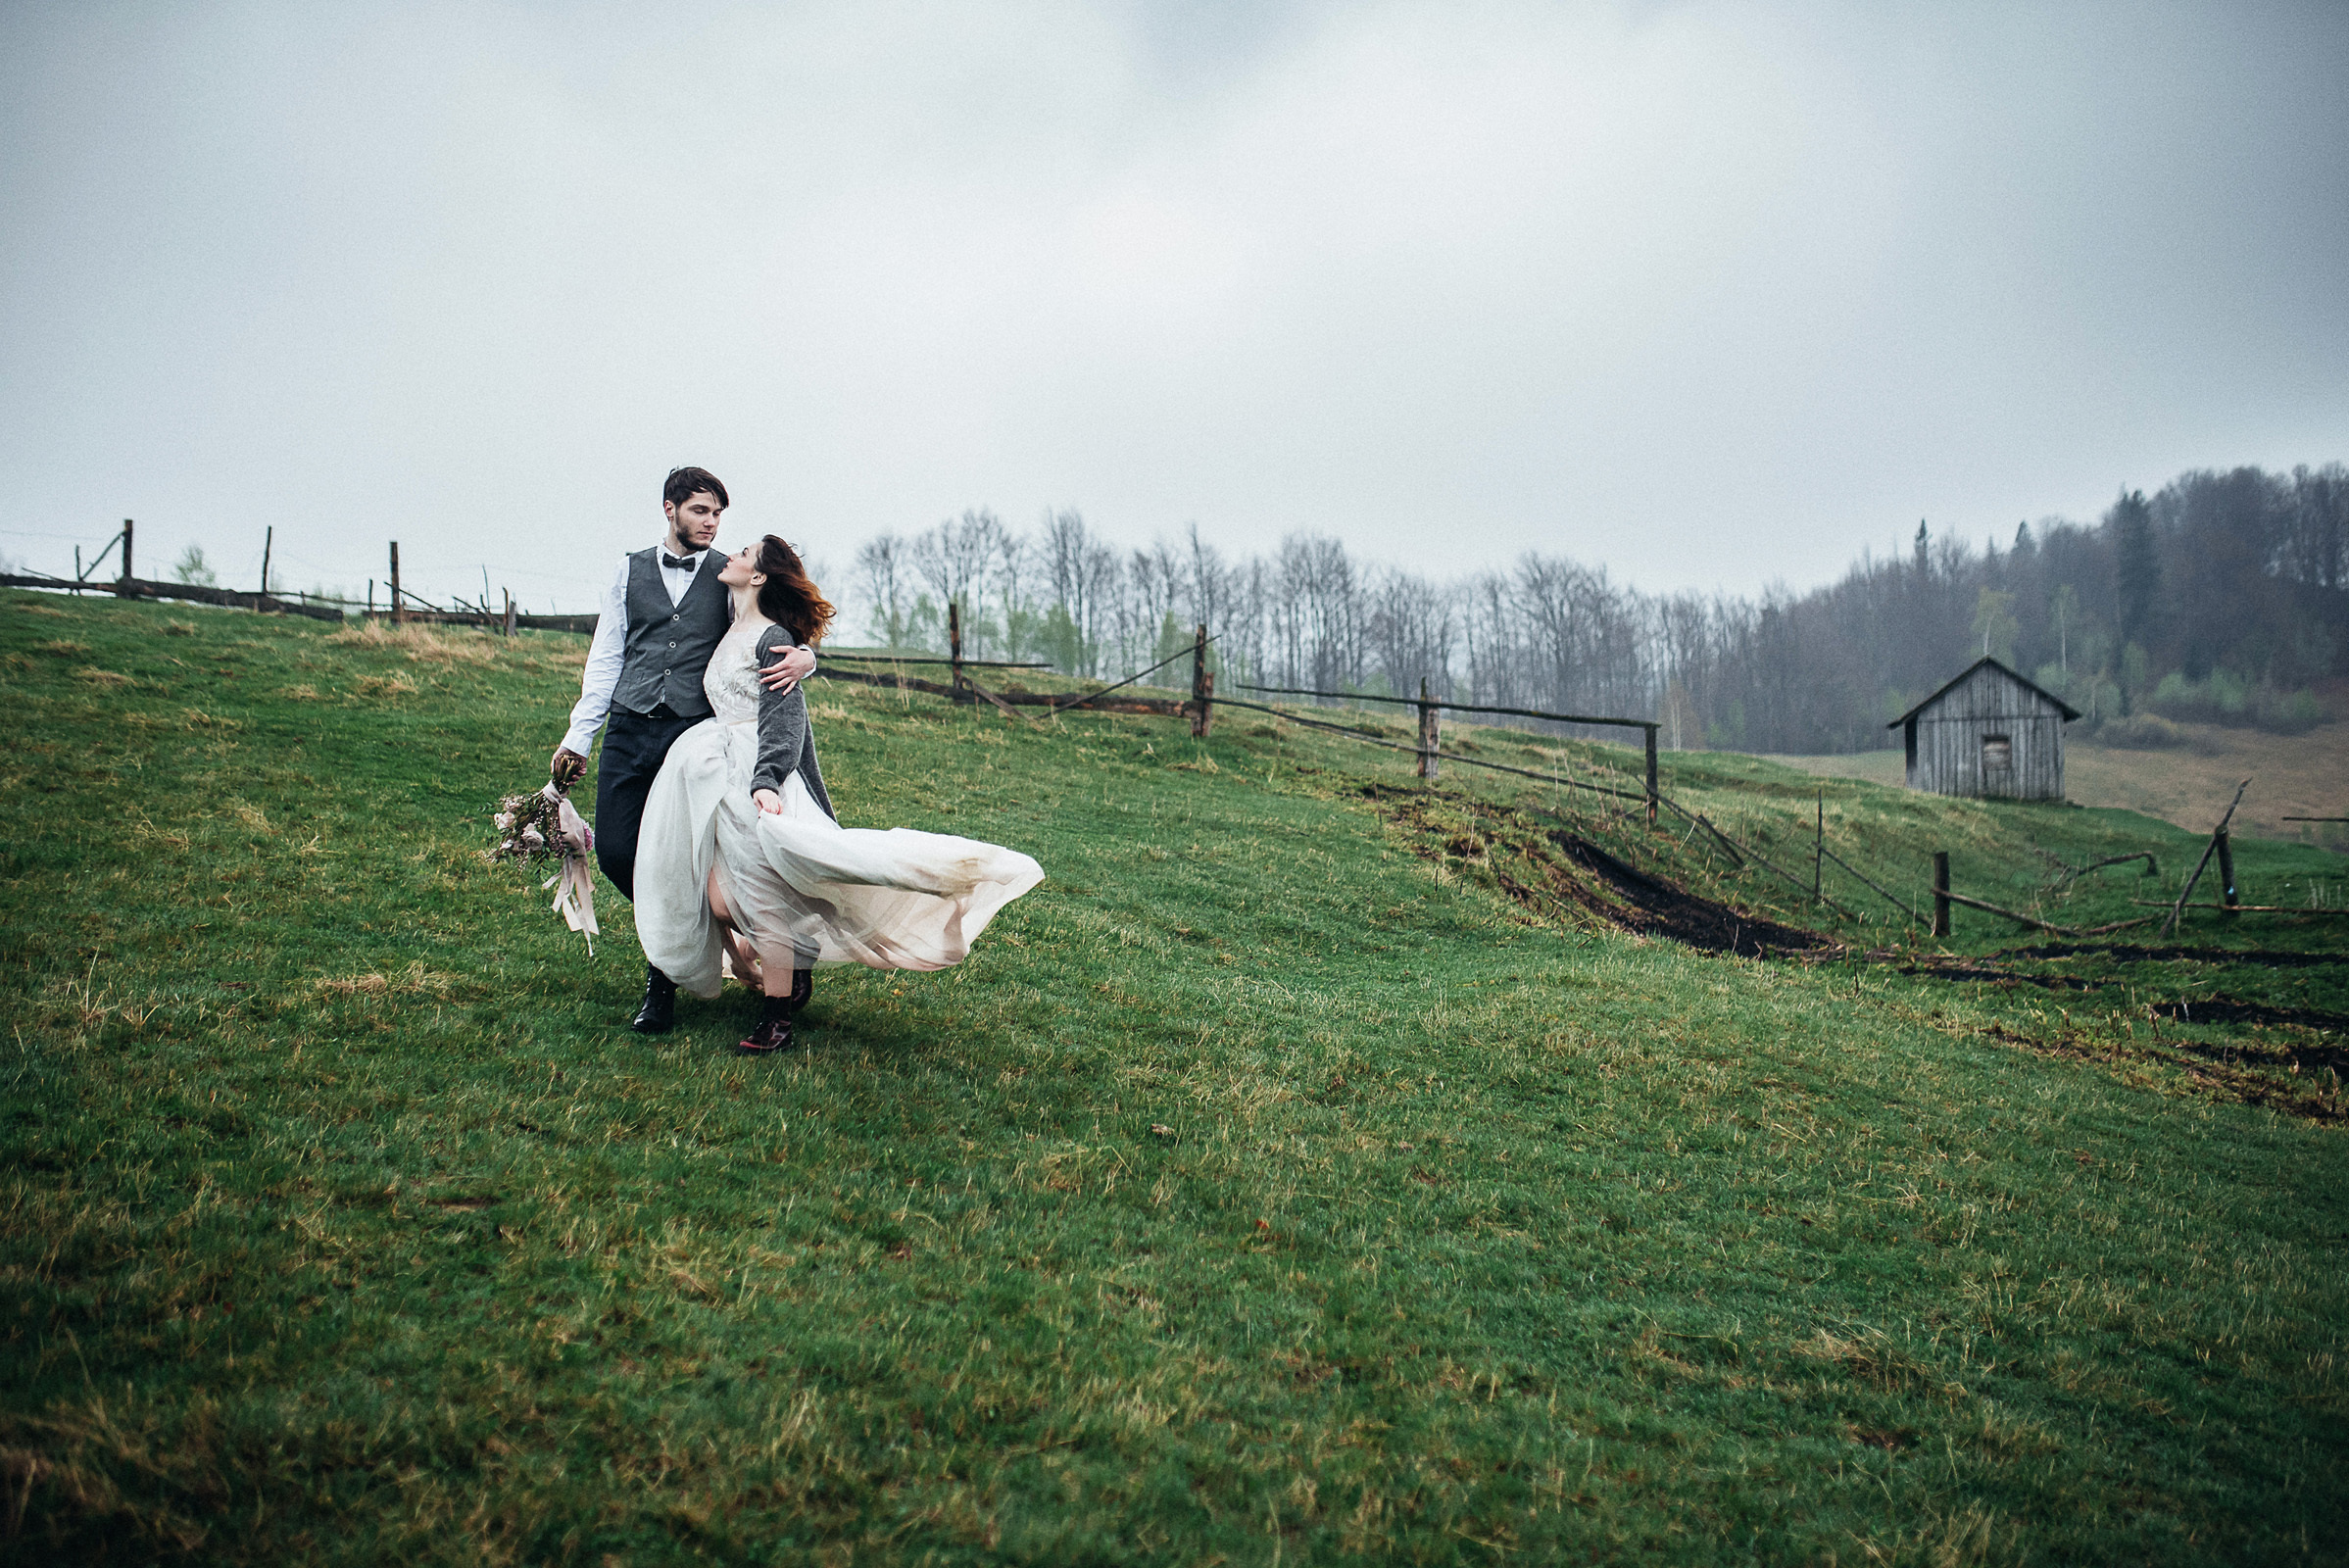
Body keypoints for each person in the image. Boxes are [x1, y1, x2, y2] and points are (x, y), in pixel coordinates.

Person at [631, 536, 1043, 1054]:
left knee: (760, 896)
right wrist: (810, 655)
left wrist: (766, 780)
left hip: (755, 774)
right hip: (713, 769)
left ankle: (777, 1020)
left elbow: (785, 717)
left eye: (745, 553)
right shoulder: (729, 618)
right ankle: (794, 955)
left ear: (757, 576)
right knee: (717, 899)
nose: (732, 554)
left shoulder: (771, 637)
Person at [550, 467, 816, 1033]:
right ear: (669, 509)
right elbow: (606, 657)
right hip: (628, 728)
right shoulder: (628, 570)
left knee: (674, 860)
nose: (711, 522)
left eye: (718, 513)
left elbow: (773, 629)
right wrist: (579, 736)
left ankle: (661, 987)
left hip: (690, 739)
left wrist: (807, 658)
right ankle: (704, 937)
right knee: (618, 853)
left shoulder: (726, 577)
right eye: (700, 510)